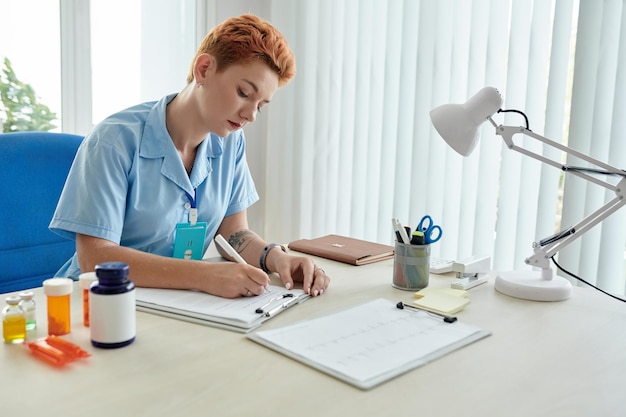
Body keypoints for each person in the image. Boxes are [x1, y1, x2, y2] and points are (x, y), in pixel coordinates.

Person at [50, 14, 330, 298]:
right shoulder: (114, 140)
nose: (251, 115)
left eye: (261, 105)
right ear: (204, 69)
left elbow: (234, 234)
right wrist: (205, 275)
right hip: (95, 303)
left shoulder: (231, 141)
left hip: (174, 303)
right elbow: (95, 259)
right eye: (244, 93)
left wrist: (276, 257)